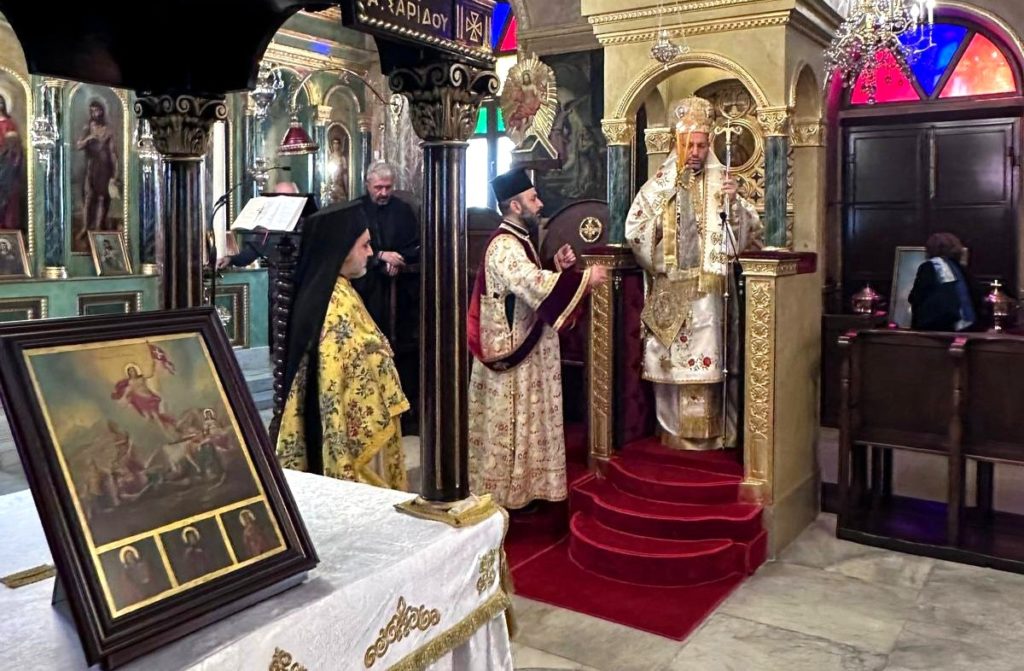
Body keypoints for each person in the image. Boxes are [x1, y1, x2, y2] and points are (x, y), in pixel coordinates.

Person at [625, 97, 763, 451]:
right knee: (672, 361)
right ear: (678, 144)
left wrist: (734, 205)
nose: (696, 152)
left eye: (702, 145)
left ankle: (714, 434)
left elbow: (748, 235)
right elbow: (634, 229)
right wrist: (659, 226)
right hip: (672, 287)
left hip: (709, 294)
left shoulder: (723, 182)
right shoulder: (660, 185)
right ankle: (672, 431)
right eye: (690, 145)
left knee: (711, 358)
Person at [468, 168, 607, 510]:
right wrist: (585, 279)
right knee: (513, 419)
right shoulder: (504, 244)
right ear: (515, 206)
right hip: (512, 349)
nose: (540, 204)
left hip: (526, 343)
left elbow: (527, 280)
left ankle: (528, 485)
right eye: (533, 199)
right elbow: (531, 285)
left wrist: (555, 267)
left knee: (527, 417)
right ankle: (508, 492)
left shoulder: (520, 239)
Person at [275, 198, 409, 489]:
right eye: (365, 245)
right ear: (341, 249)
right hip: (356, 436)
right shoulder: (335, 306)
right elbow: (335, 380)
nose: (371, 253)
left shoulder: (337, 290)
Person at [349, 161, 419, 335]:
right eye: (378, 188)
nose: (384, 193)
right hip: (367, 279)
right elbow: (350, 248)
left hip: (401, 278)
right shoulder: (356, 209)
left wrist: (397, 259)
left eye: (388, 187)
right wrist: (380, 256)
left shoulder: (403, 209)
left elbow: (415, 245)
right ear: (368, 185)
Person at [909, 232, 976, 332]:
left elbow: (917, 295)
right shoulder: (961, 269)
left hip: (934, 326)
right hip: (964, 326)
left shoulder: (929, 267)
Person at [76, 99, 118, 246]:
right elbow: (79, 145)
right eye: (92, 111)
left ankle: (99, 227)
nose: (95, 113)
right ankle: (86, 227)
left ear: (102, 111)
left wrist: (115, 173)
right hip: (91, 166)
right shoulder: (87, 128)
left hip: (105, 168)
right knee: (89, 197)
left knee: (103, 198)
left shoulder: (108, 130)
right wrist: (90, 138)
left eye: (97, 110)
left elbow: (112, 153)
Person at [0, 94, 24, 231]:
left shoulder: (9, 124)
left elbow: (15, 147)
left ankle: (7, 226)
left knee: (8, 195)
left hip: (7, 164)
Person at [326, 136, 349, 204]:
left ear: (339, 145)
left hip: (340, 184)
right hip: (331, 183)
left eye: (337, 143)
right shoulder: (329, 157)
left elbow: (345, 174)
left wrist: (346, 187)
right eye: (334, 143)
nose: (335, 145)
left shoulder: (342, 158)